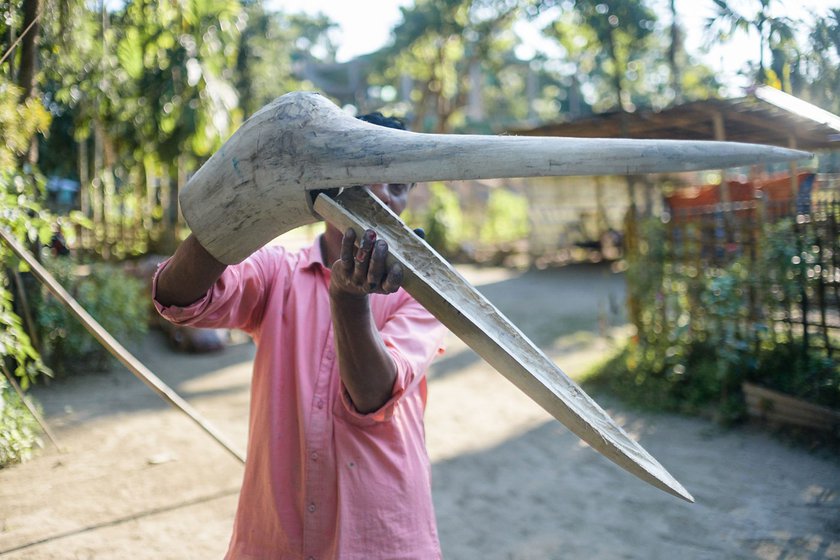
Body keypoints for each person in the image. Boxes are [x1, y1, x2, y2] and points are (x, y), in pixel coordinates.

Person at [153, 112, 447, 559]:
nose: (388, 197)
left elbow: (373, 396)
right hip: (275, 538)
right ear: (334, 181)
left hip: (382, 536)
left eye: (401, 186)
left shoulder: (423, 291)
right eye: (375, 176)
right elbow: (178, 296)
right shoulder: (277, 271)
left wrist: (348, 299)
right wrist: (241, 206)